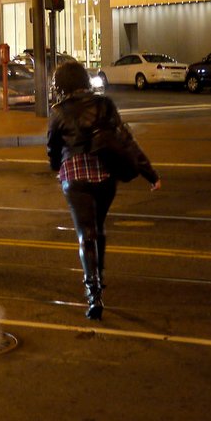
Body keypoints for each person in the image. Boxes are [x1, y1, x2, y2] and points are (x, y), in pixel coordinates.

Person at [47, 61, 160, 320]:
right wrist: (150, 173)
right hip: (104, 174)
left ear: (61, 86)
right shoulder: (105, 104)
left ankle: (93, 293)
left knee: (85, 234)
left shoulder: (58, 113)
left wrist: (58, 166)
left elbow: (53, 152)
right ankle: (101, 275)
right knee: (99, 228)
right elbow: (125, 140)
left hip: (75, 177)